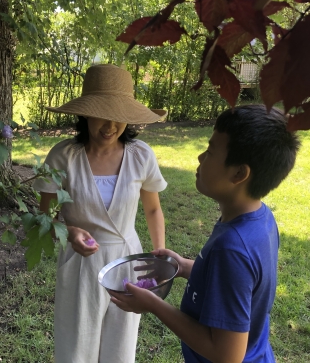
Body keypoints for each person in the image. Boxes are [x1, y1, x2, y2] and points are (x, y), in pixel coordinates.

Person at [110, 104, 301, 363]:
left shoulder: (232, 248)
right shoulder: (260, 219)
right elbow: (240, 284)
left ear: (239, 173)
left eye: (210, 151)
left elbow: (227, 355)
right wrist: (183, 267)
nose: (200, 157)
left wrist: (154, 304)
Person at [33, 64, 168, 363]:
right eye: (101, 115)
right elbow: (44, 217)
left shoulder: (140, 155)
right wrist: (69, 231)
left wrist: (158, 254)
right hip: (81, 262)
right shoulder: (63, 156)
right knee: (76, 346)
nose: (109, 126)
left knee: (120, 347)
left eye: (118, 117)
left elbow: (153, 208)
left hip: (127, 260)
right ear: (85, 113)